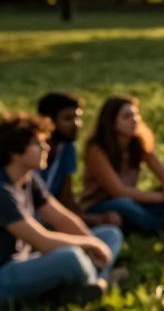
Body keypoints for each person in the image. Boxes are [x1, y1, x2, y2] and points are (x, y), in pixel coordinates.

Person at [0, 112, 124, 306]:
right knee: (70, 257)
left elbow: (63, 219)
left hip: (24, 262)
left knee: (110, 234)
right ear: (14, 152)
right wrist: (91, 246)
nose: (46, 148)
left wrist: (93, 242)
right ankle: (97, 281)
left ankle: (86, 284)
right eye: (37, 144)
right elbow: (43, 241)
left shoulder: (28, 178)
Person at [80, 95, 164, 234]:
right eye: (127, 116)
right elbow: (119, 191)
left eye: (136, 115)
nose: (134, 120)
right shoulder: (97, 149)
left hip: (135, 200)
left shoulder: (137, 143)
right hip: (103, 205)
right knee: (124, 205)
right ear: (112, 122)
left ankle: (152, 222)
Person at [36, 92, 121, 228]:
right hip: (30, 217)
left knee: (110, 229)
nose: (76, 124)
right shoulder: (29, 150)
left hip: (52, 215)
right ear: (48, 121)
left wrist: (94, 219)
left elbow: (66, 199)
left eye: (78, 117)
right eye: (68, 119)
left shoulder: (67, 149)